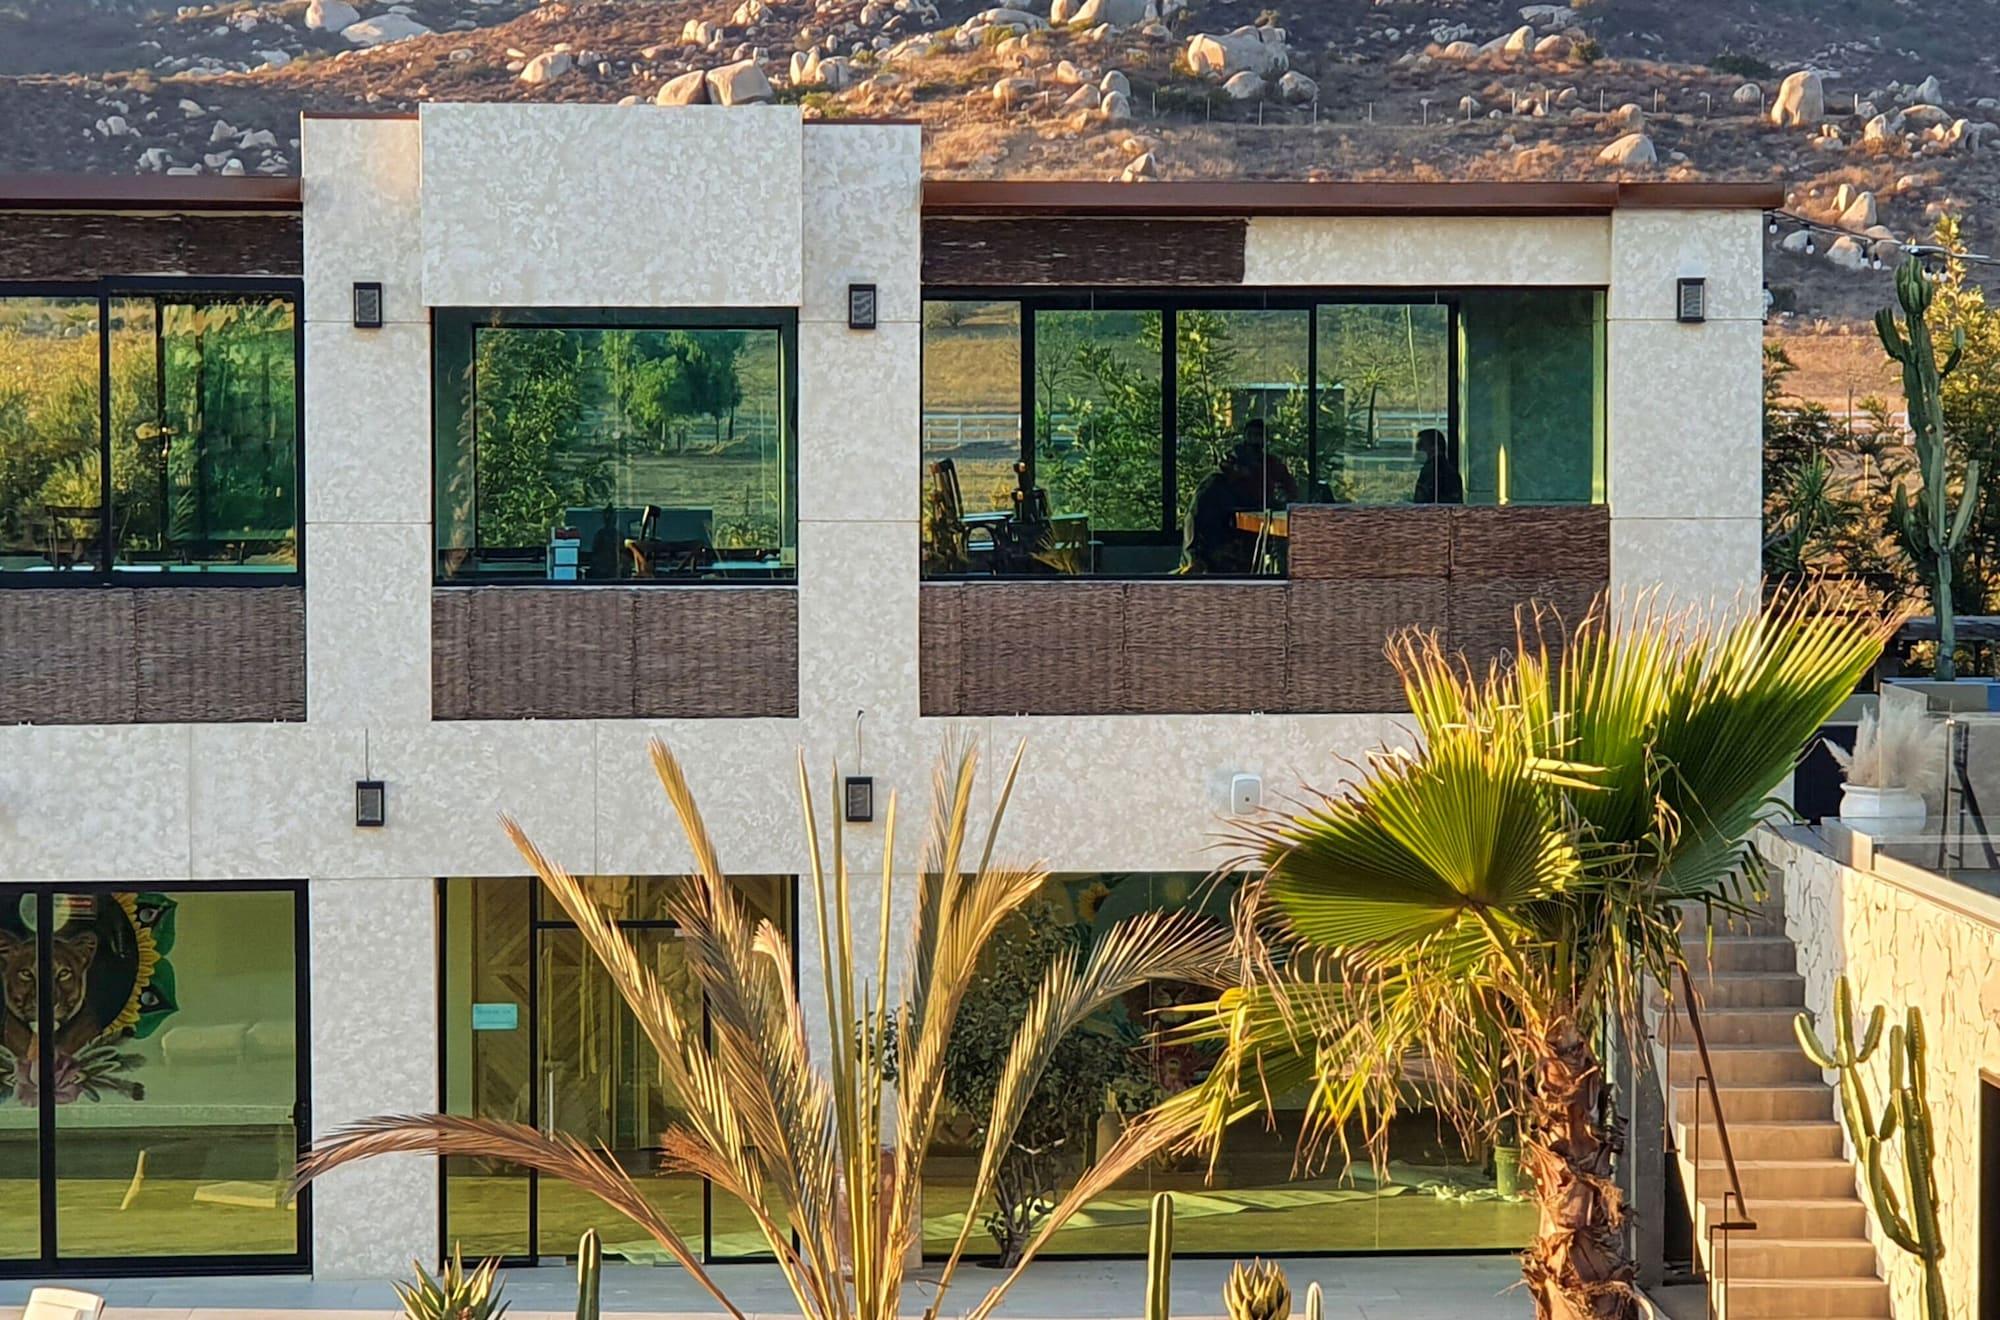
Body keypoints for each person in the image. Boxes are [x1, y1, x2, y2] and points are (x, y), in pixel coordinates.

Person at [1181, 421, 1297, 575]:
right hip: (1220, 553)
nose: (1255, 441)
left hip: (1254, 544)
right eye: (1252, 435)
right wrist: (1194, 558)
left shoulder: (1270, 467)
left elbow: (1291, 491)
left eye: (1259, 436)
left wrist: (1283, 496)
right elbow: (1193, 520)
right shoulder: (1215, 485)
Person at [1412, 427, 1464, 505]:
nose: (1418, 450)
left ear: (1435, 447)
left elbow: (1423, 500)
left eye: (1421, 445)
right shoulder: (1447, 469)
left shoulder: (1435, 471)